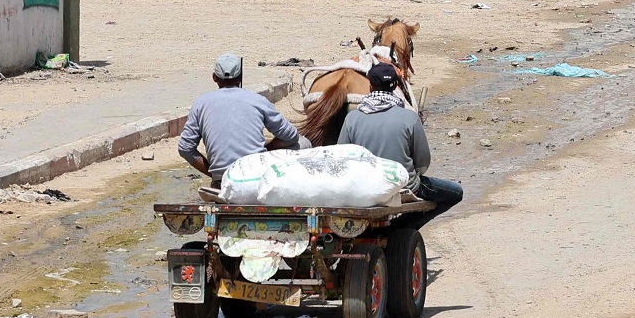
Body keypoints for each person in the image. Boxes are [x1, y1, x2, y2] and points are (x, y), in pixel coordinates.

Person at [338, 61, 463, 222]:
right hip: (405, 186)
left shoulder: (352, 118)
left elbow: (341, 158)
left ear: (370, 86)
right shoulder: (410, 117)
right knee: (456, 192)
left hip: (362, 187)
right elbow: (423, 163)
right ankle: (402, 226)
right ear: (396, 85)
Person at [177, 53, 308, 182]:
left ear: (214, 78)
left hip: (223, 180)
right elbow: (291, 136)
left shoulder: (201, 103)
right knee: (303, 143)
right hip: (256, 177)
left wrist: (214, 175)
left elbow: (185, 148)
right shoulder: (258, 100)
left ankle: (218, 183)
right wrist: (267, 149)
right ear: (240, 78)